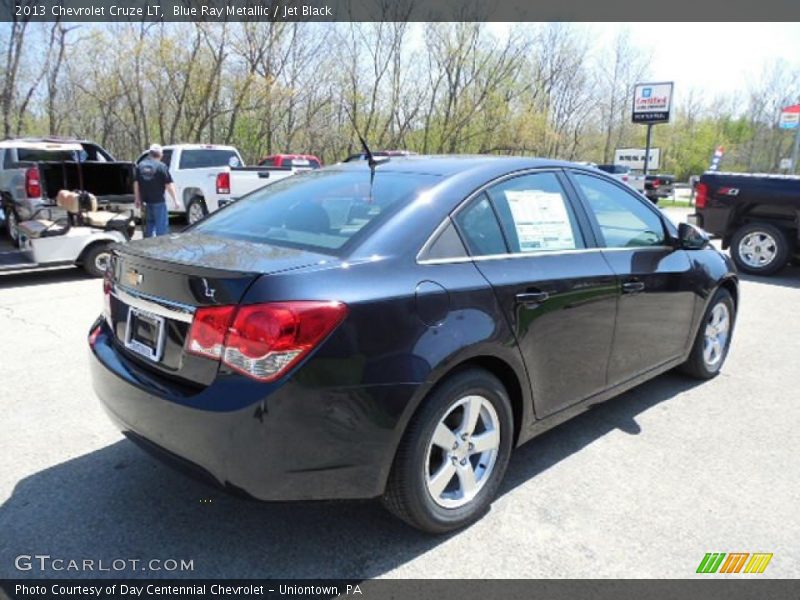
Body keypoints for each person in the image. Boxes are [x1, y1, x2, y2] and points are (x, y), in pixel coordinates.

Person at [135, 144, 177, 237]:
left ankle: (149, 246)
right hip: (159, 202)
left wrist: (137, 199)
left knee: (149, 226)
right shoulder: (161, 167)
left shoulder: (140, 166)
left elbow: (136, 184)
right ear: (160, 155)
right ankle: (161, 246)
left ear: (150, 154)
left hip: (145, 202)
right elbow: (168, 185)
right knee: (161, 228)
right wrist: (175, 200)